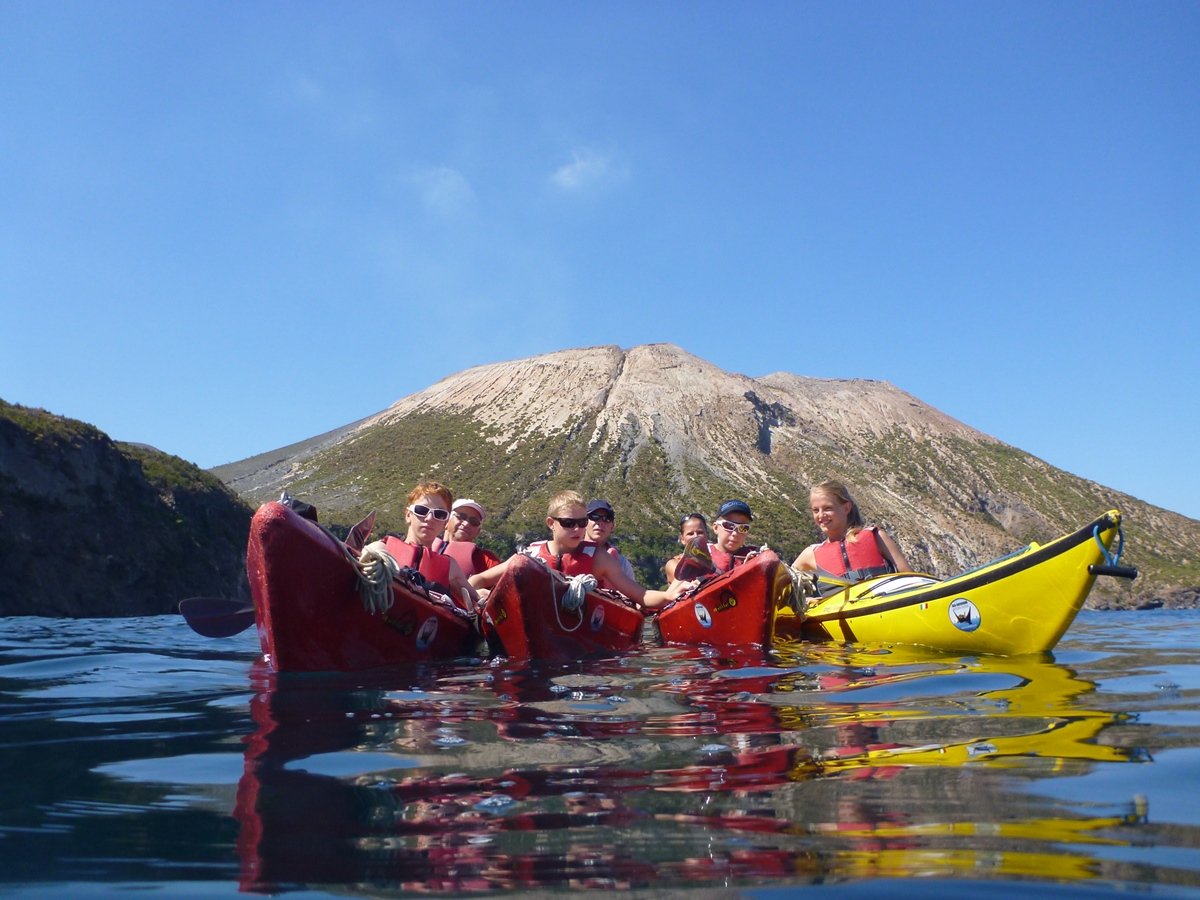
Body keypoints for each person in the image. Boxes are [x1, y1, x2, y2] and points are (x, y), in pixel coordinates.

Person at [469, 490, 693, 610]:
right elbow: (477, 580)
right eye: (568, 523)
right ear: (551, 523)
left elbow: (640, 595)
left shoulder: (599, 558)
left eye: (582, 522)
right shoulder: (531, 555)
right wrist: (480, 594)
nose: (577, 529)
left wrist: (666, 595)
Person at [383, 481, 479, 610]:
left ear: (445, 521)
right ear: (408, 515)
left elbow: (478, 604)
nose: (429, 518)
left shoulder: (450, 568)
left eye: (439, 514)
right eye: (422, 510)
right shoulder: (382, 549)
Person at [791, 480, 910, 581]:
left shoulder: (877, 537)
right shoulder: (811, 554)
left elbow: (910, 578)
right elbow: (786, 584)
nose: (821, 515)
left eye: (828, 508)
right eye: (816, 510)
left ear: (846, 508)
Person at [432, 498, 502, 578]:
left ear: (478, 531)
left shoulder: (487, 561)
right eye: (461, 517)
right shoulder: (427, 549)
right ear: (447, 520)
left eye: (474, 522)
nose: (466, 524)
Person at [584, 499, 636, 587]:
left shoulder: (622, 564)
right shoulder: (570, 552)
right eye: (594, 517)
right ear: (585, 521)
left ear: (612, 526)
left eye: (607, 519)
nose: (600, 523)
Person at [663, 512, 709, 582]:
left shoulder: (716, 557)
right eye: (690, 534)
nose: (696, 536)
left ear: (707, 535)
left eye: (700, 532)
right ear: (682, 539)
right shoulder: (674, 564)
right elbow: (684, 579)